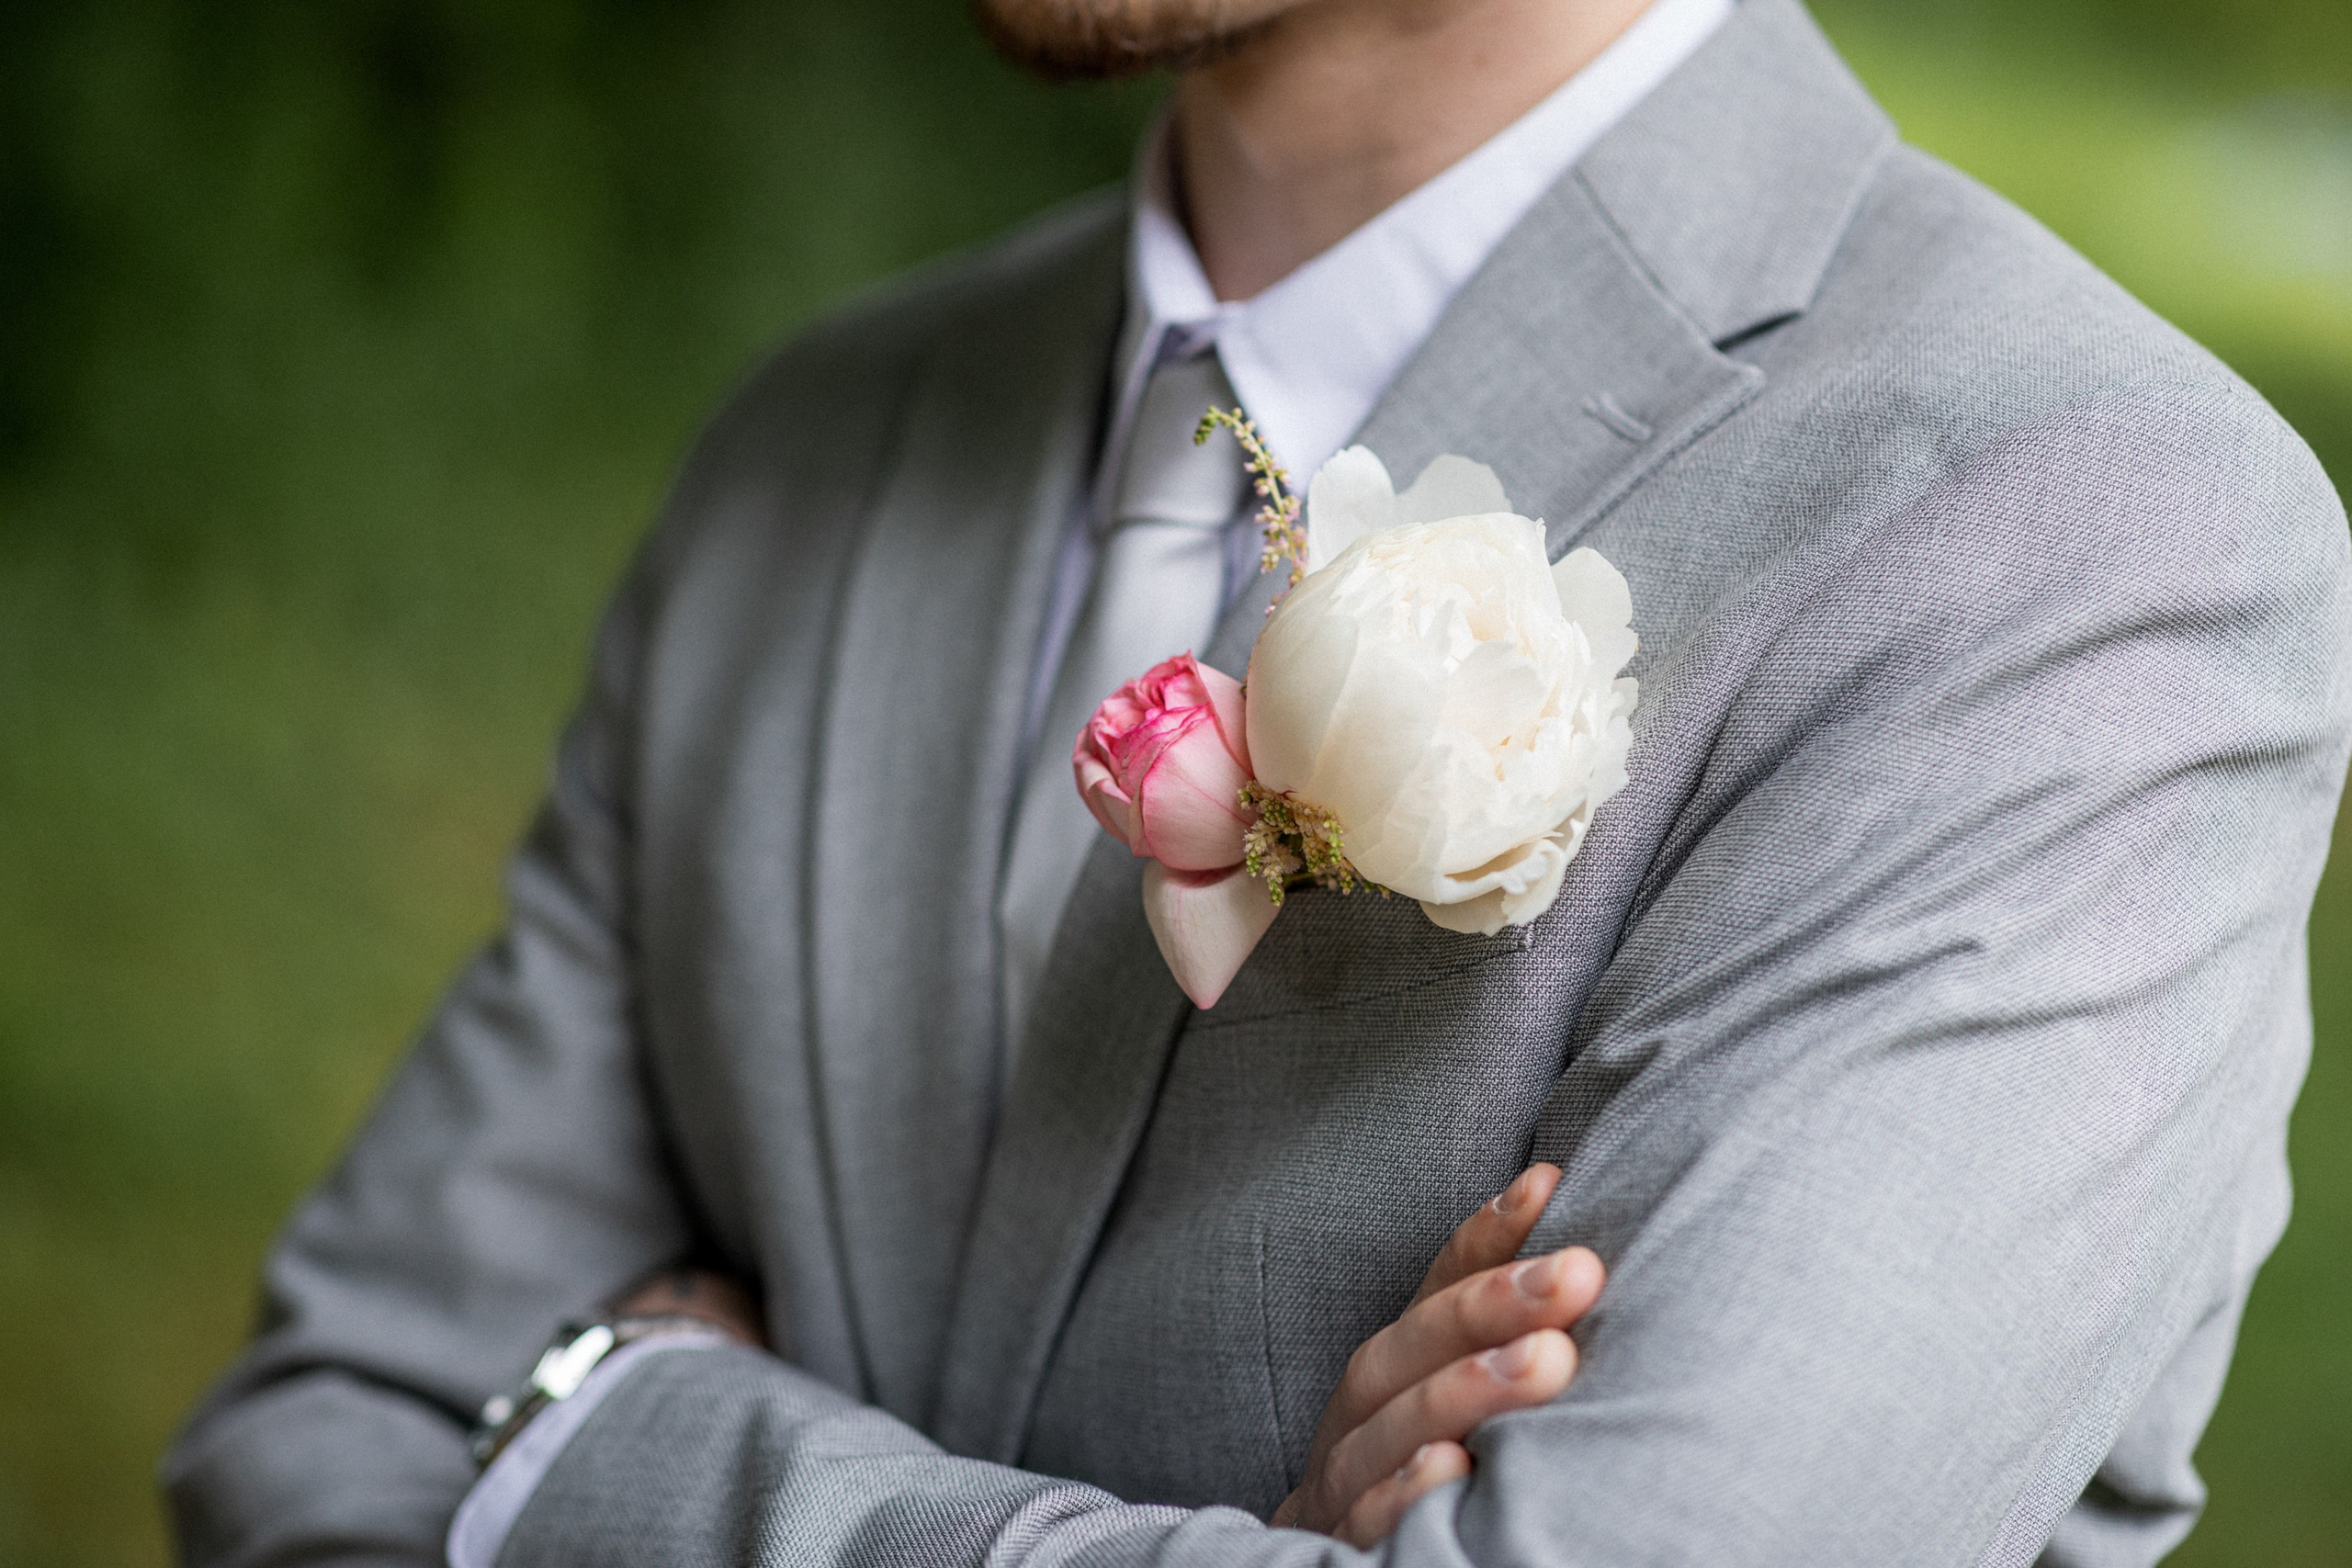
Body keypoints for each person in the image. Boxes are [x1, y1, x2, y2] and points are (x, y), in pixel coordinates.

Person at [166, 0, 2352, 1562]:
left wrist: (599, 1438)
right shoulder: (813, 444)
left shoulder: (2080, 533)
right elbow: (322, 1435)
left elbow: (461, 1433)